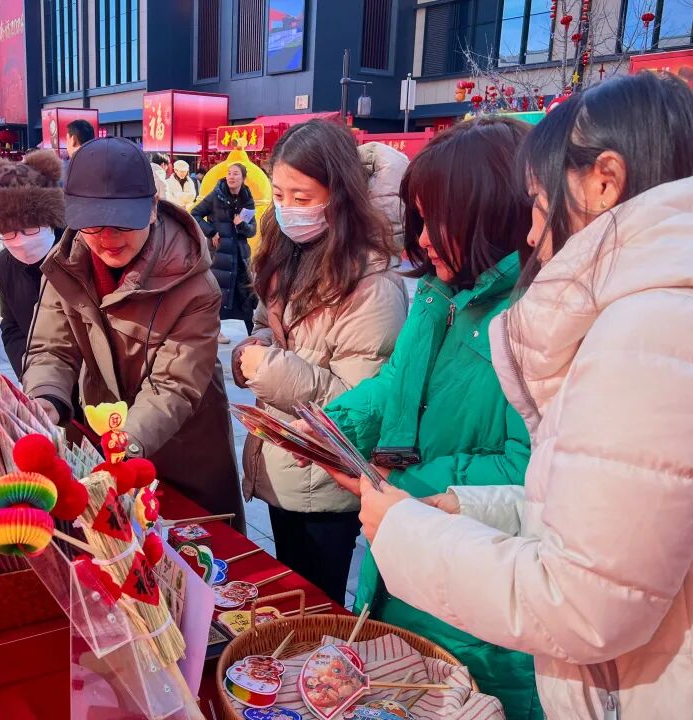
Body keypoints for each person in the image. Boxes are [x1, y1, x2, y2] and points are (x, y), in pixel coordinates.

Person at [350, 71, 693, 718]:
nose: (531, 232)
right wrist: (466, 504)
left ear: (603, 181)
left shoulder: (662, 330)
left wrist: (406, 530)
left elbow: (583, 602)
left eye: (539, 201)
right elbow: (608, 519)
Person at [307, 117, 541, 718]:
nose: (425, 239)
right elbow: (399, 384)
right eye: (419, 218)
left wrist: (403, 482)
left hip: (475, 589)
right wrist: (335, 427)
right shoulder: (439, 293)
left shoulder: (535, 319)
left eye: (439, 220)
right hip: (406, 555)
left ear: (492, 213)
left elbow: (530, 470)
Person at [22, 136, 245, 529]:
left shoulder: (194, 284)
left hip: (182, 449)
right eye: (93, 223)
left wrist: (121, 445)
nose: (108, 239)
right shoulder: (65, 267)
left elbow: (174, 386)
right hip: (107, 443)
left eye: (124, 223)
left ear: (153, 207)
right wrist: (45, 398)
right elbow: (51, 349)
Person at [231, 120, 408, 606]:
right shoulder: (289, 250)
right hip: (285, 461)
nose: (288, 207)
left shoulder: (372, 284)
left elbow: (359, 403)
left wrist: (268, 369)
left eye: (302, 197)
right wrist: (254, 348)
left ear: (340, 195)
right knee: (288, 599)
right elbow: (270, 325)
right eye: (279, 194)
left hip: (327, 481)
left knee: (317, 606)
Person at [0, 150, 66, 377]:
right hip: (38, 377)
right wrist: (30, 372)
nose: (20, 241)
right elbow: (12, 326)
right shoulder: (4, 265)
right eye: (7, 233)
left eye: (29, 228)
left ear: (50, 220)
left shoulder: (78, 251)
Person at [190, 162, 257, 340]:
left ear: (243, 178)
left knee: (244, 293)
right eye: (229, 173)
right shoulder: (216, 195)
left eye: (235, 174)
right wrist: (211, 231)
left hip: (240, 255)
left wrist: (241, 225)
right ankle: (215, 330)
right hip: (220, 254)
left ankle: (253, 332)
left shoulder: (247, 199)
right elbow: (195, 213)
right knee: (218, 292)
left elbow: (252, 230)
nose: (231, 177)